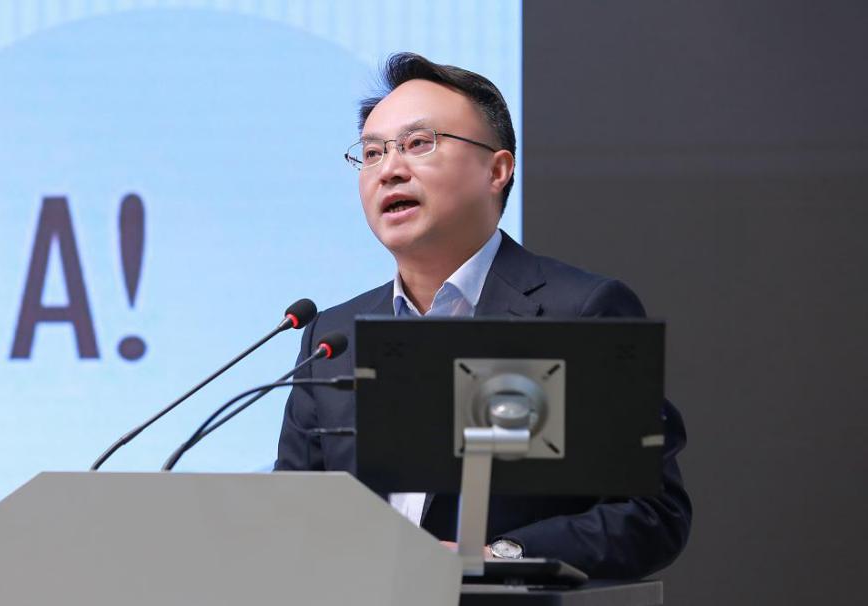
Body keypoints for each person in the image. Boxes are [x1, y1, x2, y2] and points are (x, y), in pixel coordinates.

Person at [274, 52, 691, 579]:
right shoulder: (333, 338)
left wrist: (497, 558)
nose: (390, 170)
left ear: (497, 170)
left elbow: (652, 514)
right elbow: (293, 516)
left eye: (418, 143)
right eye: (373, 153)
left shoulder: (580, 312)